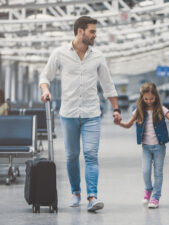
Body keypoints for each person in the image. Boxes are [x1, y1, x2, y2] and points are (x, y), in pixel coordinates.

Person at [40, 16, 122, 212]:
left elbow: (107, 85)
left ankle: (92, 196)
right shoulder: (60, 54)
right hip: (68, 114)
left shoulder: (98, 56)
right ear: (80, 31)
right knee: (71, 156)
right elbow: (45, 75)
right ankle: (76, 191)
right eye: (92, 31)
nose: (95, 35)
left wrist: (116, 109)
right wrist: (45, 90)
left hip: (92, 114)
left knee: (91, 155)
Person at [116, 82, 169, 209]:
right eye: (146, 99)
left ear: (156, 96)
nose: (149, 101)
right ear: (142, 98)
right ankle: (148, 190)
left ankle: (155, 197)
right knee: (145, 171)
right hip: (146, 147)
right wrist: (118, 123)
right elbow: (128, 124)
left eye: (151, 98)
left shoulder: (161, 109)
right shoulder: (138, 111)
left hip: (159, 147)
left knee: (158, 173)